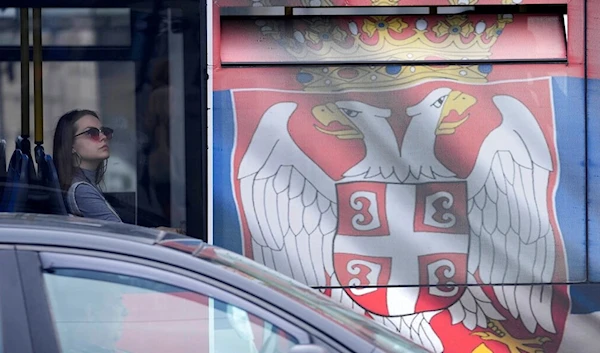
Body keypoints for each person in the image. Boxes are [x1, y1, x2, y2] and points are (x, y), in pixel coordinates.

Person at [53, 109, 122, 222]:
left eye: (104, 131)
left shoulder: (84, 183)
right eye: (91, 133)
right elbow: (120, 233)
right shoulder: (81, 190)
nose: (103, 137)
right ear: (71, 145)